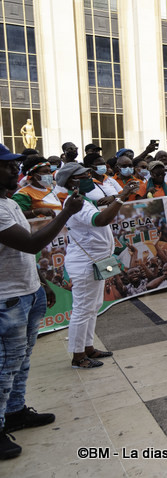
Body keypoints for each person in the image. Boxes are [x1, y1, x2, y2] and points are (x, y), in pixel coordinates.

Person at [0, 144, 85, 459]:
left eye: (14, 165)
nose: (14, 170)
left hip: (27, 290)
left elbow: (20, 253)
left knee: (21, 361)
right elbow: (32, 242)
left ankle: (15, 411)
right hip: (6, 299)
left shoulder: (7, 203)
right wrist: (66, 213)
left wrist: (41, 282)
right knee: (5, 365)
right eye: (6, 165)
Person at [56, 162, 140, 369]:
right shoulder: (75, 203)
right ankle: (78, 356)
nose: (89, 178)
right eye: (84, 176)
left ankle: (88, 347)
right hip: (85, 264)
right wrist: (122, 196)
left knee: (93, 307)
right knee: (82, 309)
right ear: (72, 181)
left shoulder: (84, 200)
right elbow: (101, 220)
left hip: (97, 261)